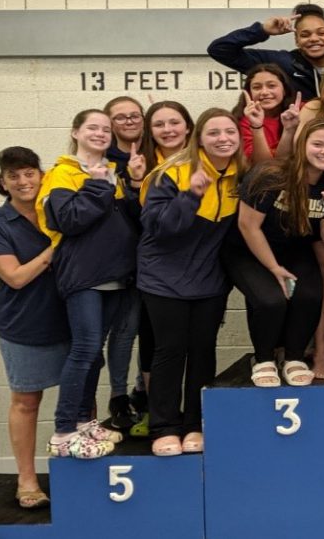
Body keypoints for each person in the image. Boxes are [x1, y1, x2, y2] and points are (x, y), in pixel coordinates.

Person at [138, 108, 244, 455]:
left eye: (229, 132)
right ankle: (164, 426)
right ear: (198, 137)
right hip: (163, 277)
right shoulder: (171, 173)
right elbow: (161, 228)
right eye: (213, 133)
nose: (223, 139)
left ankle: (195, 424)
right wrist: (192, 194)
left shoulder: (240, 175)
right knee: (170, 350)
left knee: (202, 350)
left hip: (209, 280)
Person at [37, 109, 140, 459]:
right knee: (83, 351)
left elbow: (126, 221)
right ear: (76, 132)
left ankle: (83, 422)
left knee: (93, 354)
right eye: (92, 128)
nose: (100, 133)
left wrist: (133, 186)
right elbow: (68, 220)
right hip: (83, 276)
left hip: (114, 276)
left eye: (106, 129)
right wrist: (96, 185)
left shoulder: (112, 173)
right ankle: (64, 431)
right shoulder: (62, 174)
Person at [229, 118, 324, 387]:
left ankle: (294, 357)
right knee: (272, 300)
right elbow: (248, 226)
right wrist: (273, 268)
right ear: (302, 144)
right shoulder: (270, 175)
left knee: (310, 295)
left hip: (294, 248)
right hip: (247, 249)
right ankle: (263, 359)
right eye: (317, 144)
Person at [0, 148, 69, 508]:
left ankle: (79, 475)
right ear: (3, 183)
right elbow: (16, 277)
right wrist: (56, 248)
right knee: (26, 402)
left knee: (80, 402)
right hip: (24, 325)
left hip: (72, 319)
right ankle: (27, 481)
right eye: (14, 176)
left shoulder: (58, 210)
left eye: (29, 173)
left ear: (41, 174)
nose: (23, 182)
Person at [131, 100, 196, 435]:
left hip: (200, 268)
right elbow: (145, 222)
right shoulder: (141, 166)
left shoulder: (206, 161)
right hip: (157, 269)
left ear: (188, 126)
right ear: (149, 130)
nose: (168, 130)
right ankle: (160, 418)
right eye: (159, 124)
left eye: (175, 122)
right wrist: (133, 183)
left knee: (197, 347)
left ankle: (192, 421)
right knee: (160, 345)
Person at [101, 95, 146, 429]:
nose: (129, 121)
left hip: (160, 257)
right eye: (120, 117)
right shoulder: (101, 160)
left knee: (153, 331)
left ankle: (142, 392)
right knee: (125, 330)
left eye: (135, 115)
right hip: (119, 258)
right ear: (109, 123)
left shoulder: (160, 153)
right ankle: (118, 398)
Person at [208, 2, 324, 98]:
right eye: (305, 35)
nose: (314, 39)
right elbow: (219, 50)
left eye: (321, 33)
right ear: (297, 40)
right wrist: (262, 30)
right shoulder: (282, 63)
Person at [232, 63, 299, 164]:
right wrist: (256, 127)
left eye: (271, 86)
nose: (264, 92)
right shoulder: (243, 120)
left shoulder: (300, 111)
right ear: (249, 92)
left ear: (284, 89)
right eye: (257, 87)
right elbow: (263, 166)